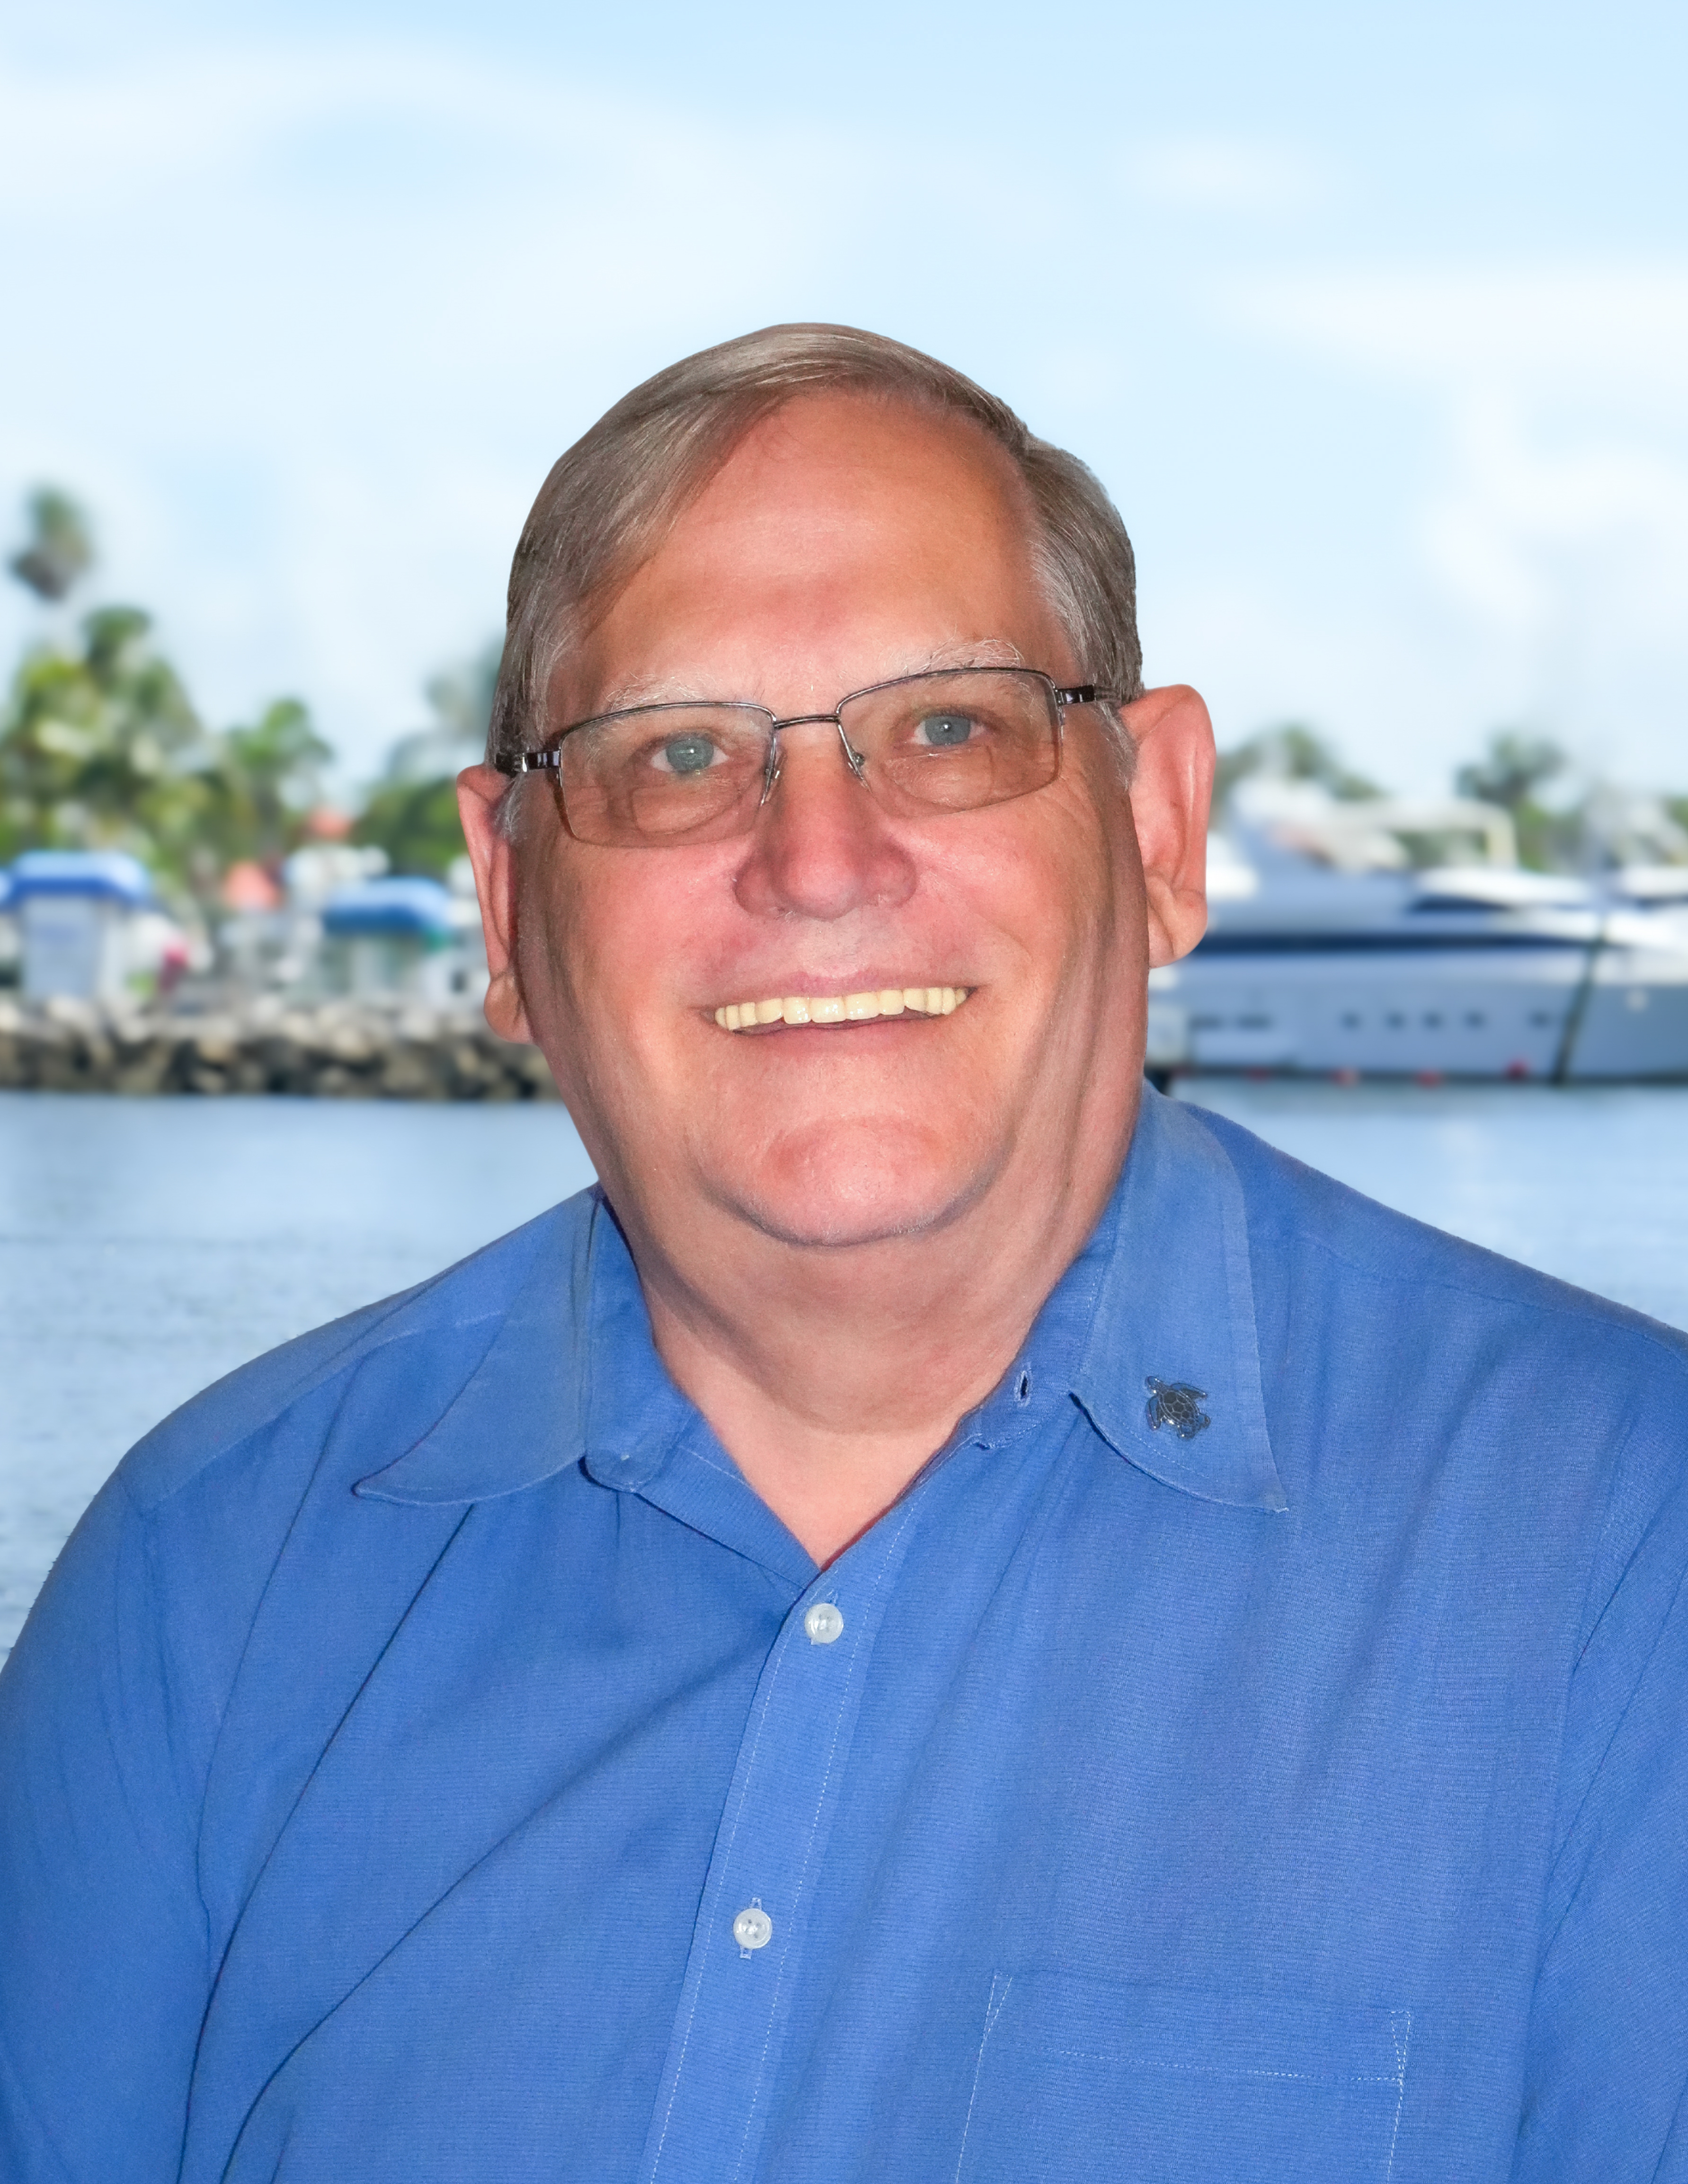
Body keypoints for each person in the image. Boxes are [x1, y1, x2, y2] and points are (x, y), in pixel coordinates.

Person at [1, 325, 1685, 2184]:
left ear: (1157, 823)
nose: (815, 853)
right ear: (504, 900)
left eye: (948, 724)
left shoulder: (1624, 1552)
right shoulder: (204, 1583)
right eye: (676, 753)